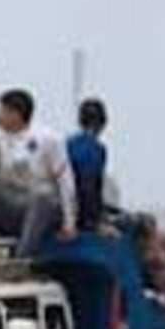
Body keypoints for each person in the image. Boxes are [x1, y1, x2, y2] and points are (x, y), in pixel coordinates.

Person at [0, 89, 78, 255]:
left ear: (15, 114)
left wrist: (69, 223)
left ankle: (23, 255)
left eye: (2, 111)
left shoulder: (49, 139)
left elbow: (65, 180)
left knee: (42, 196)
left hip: (40, 206)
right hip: (11, 201)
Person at [68, 97, 111, 233]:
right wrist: (94, 223)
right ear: (103, 123)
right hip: (79, 212)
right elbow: (88, 187)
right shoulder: (96, 149)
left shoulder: (68, 143)